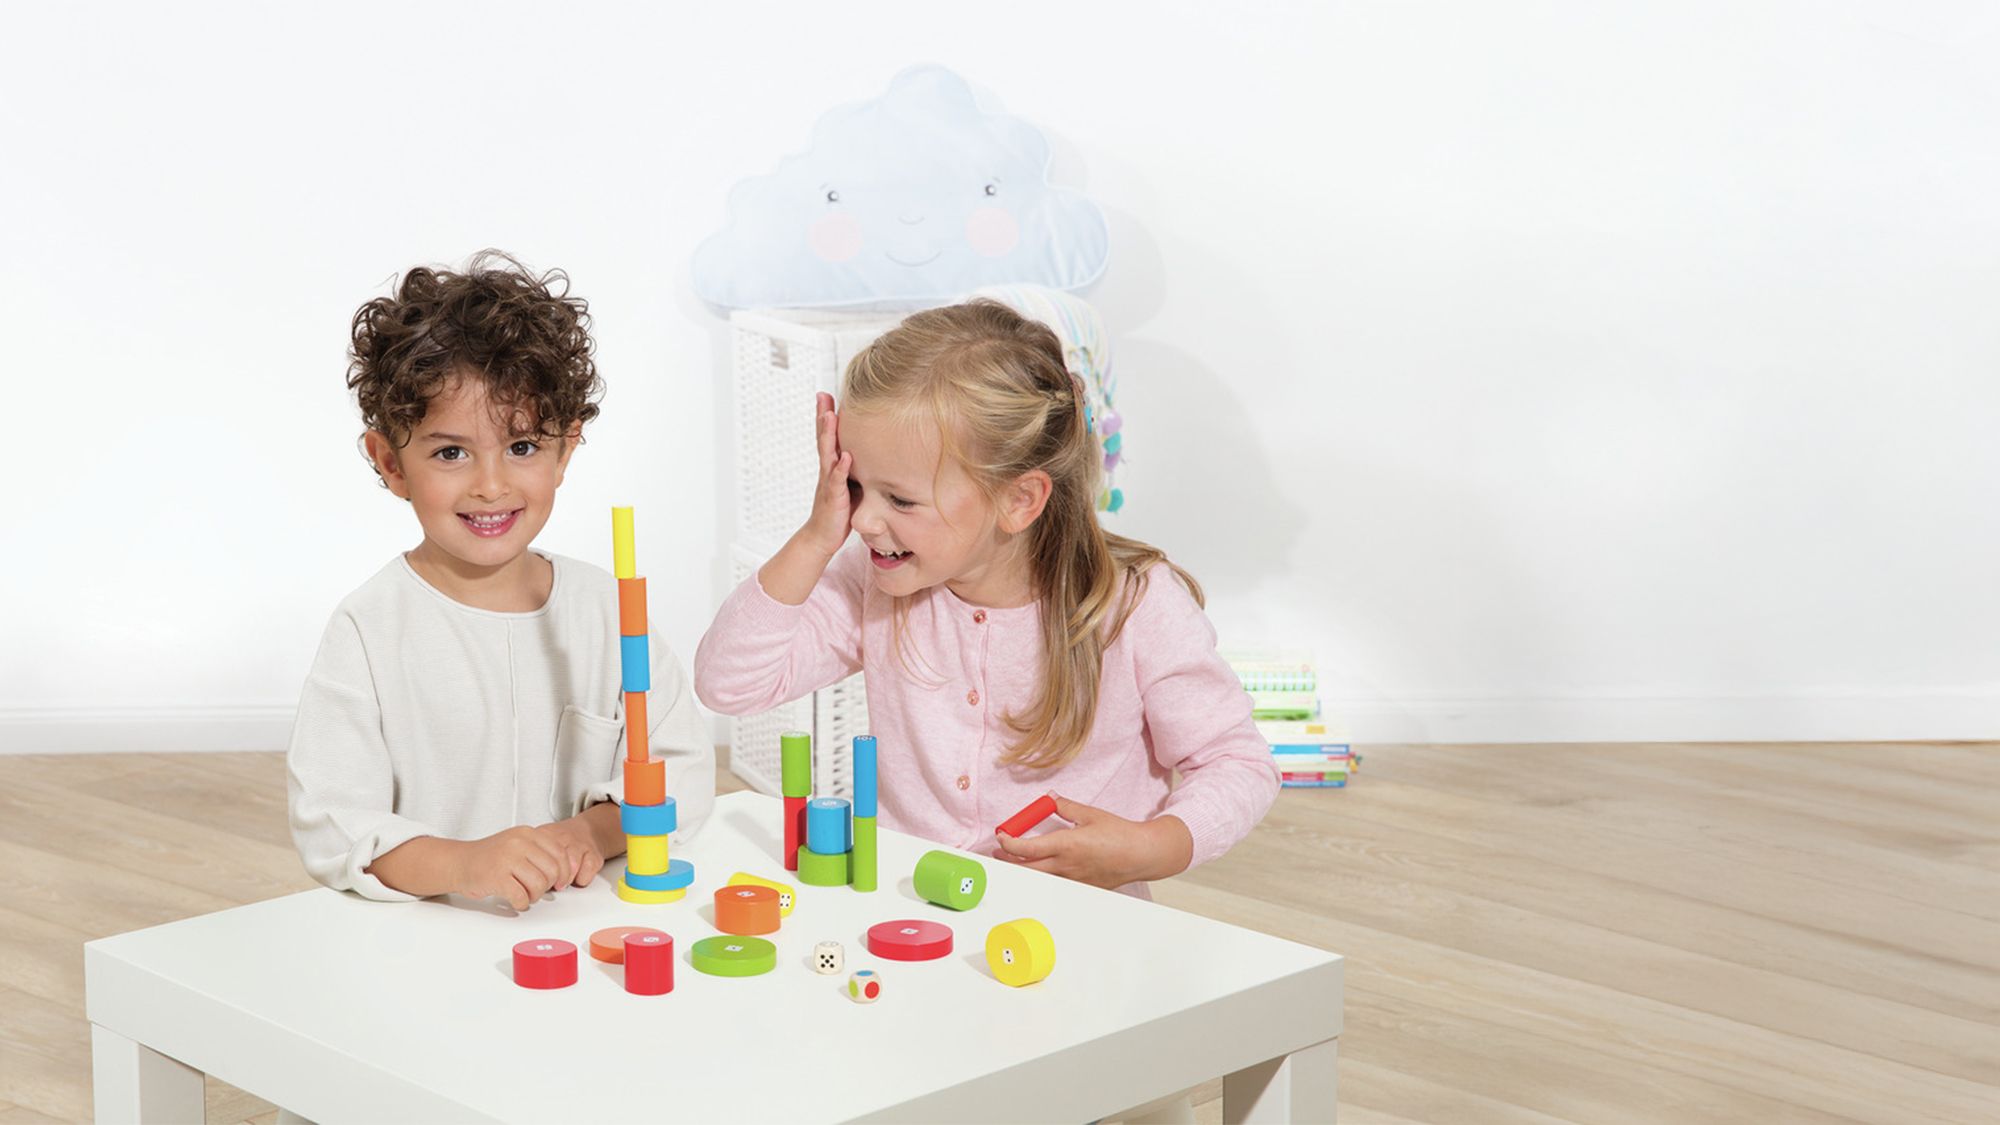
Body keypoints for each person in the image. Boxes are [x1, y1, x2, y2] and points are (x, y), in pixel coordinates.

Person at [695, 299, 1275, 896]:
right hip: (911, 906)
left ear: (1019, 500)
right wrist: (816, 536)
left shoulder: (1135, 607)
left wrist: (1154, 846)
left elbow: (1237, 763)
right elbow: (730, 683)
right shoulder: (875, 580)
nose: (863, 520)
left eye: (900, 499)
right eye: (853, 485)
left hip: (1080, 919)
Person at [287, 251, 711, 908]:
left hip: (581, 933)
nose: (491, 485)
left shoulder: (604, 609)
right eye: (450, 452)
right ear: (390, 462)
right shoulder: (370, 628)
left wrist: (587, 832)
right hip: (425, 949)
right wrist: (465, 862)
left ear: (566, 448)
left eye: (522, 446)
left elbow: (683, 768)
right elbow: (334, 821)